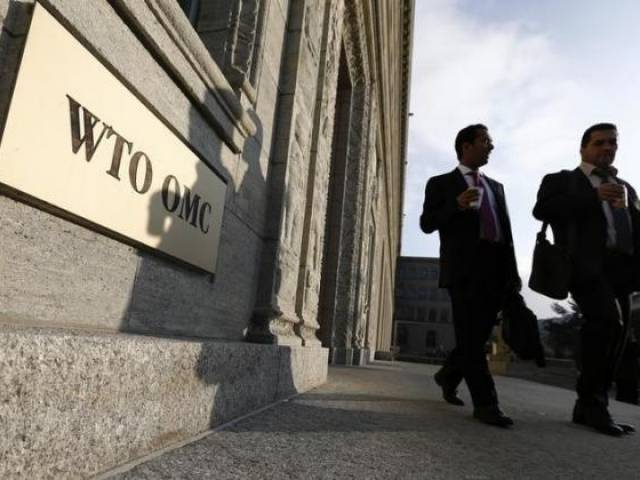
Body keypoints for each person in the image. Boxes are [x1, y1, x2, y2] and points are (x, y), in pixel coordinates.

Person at [533, 123, 639, 436]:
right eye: (600, 143)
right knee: (607, 322)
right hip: (584, 266)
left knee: (619, 338)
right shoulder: (562, 180)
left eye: (612, 143)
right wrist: (593, 197)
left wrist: (632, 210)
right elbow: (543, 210)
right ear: (584, 148)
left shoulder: (627, 187)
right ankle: (592, 403)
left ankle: (591, 406)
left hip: (622, 270)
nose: (607, 148)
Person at [420, 124, 521, 427]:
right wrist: (456, 204)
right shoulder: (440, 183)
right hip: (462, 271)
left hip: (496, 271)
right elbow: (427, 223)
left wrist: (513, 275)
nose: (491, 146)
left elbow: (506, 234)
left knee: (475, 336)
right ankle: (487, 404)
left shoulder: (496, 187)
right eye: (485, 141)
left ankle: (447, 374)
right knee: (471, 338)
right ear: (466, 146)